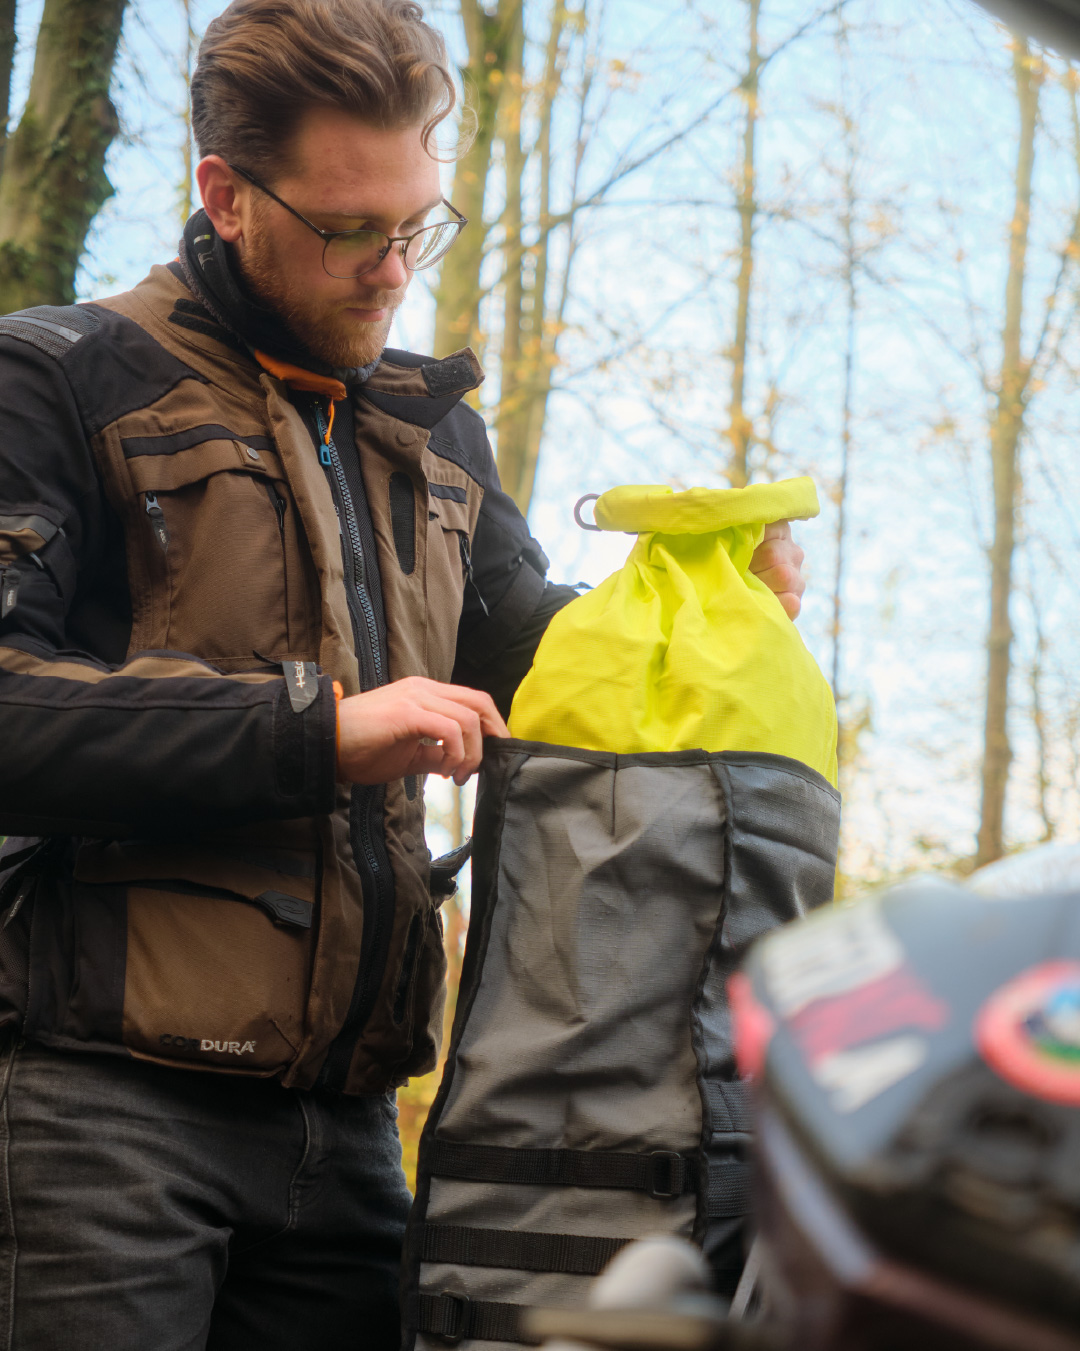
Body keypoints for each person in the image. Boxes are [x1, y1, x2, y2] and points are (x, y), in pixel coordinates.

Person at [0, 0, 807, 1345]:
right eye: (349, 231)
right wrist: (318, 730)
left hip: (356, 1135)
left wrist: (706, 609)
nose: (390, 273)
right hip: (95, 1116)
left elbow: (534, 657)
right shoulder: (56, 379)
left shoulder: (436, 437)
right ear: (225, 196)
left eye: (416, 228)